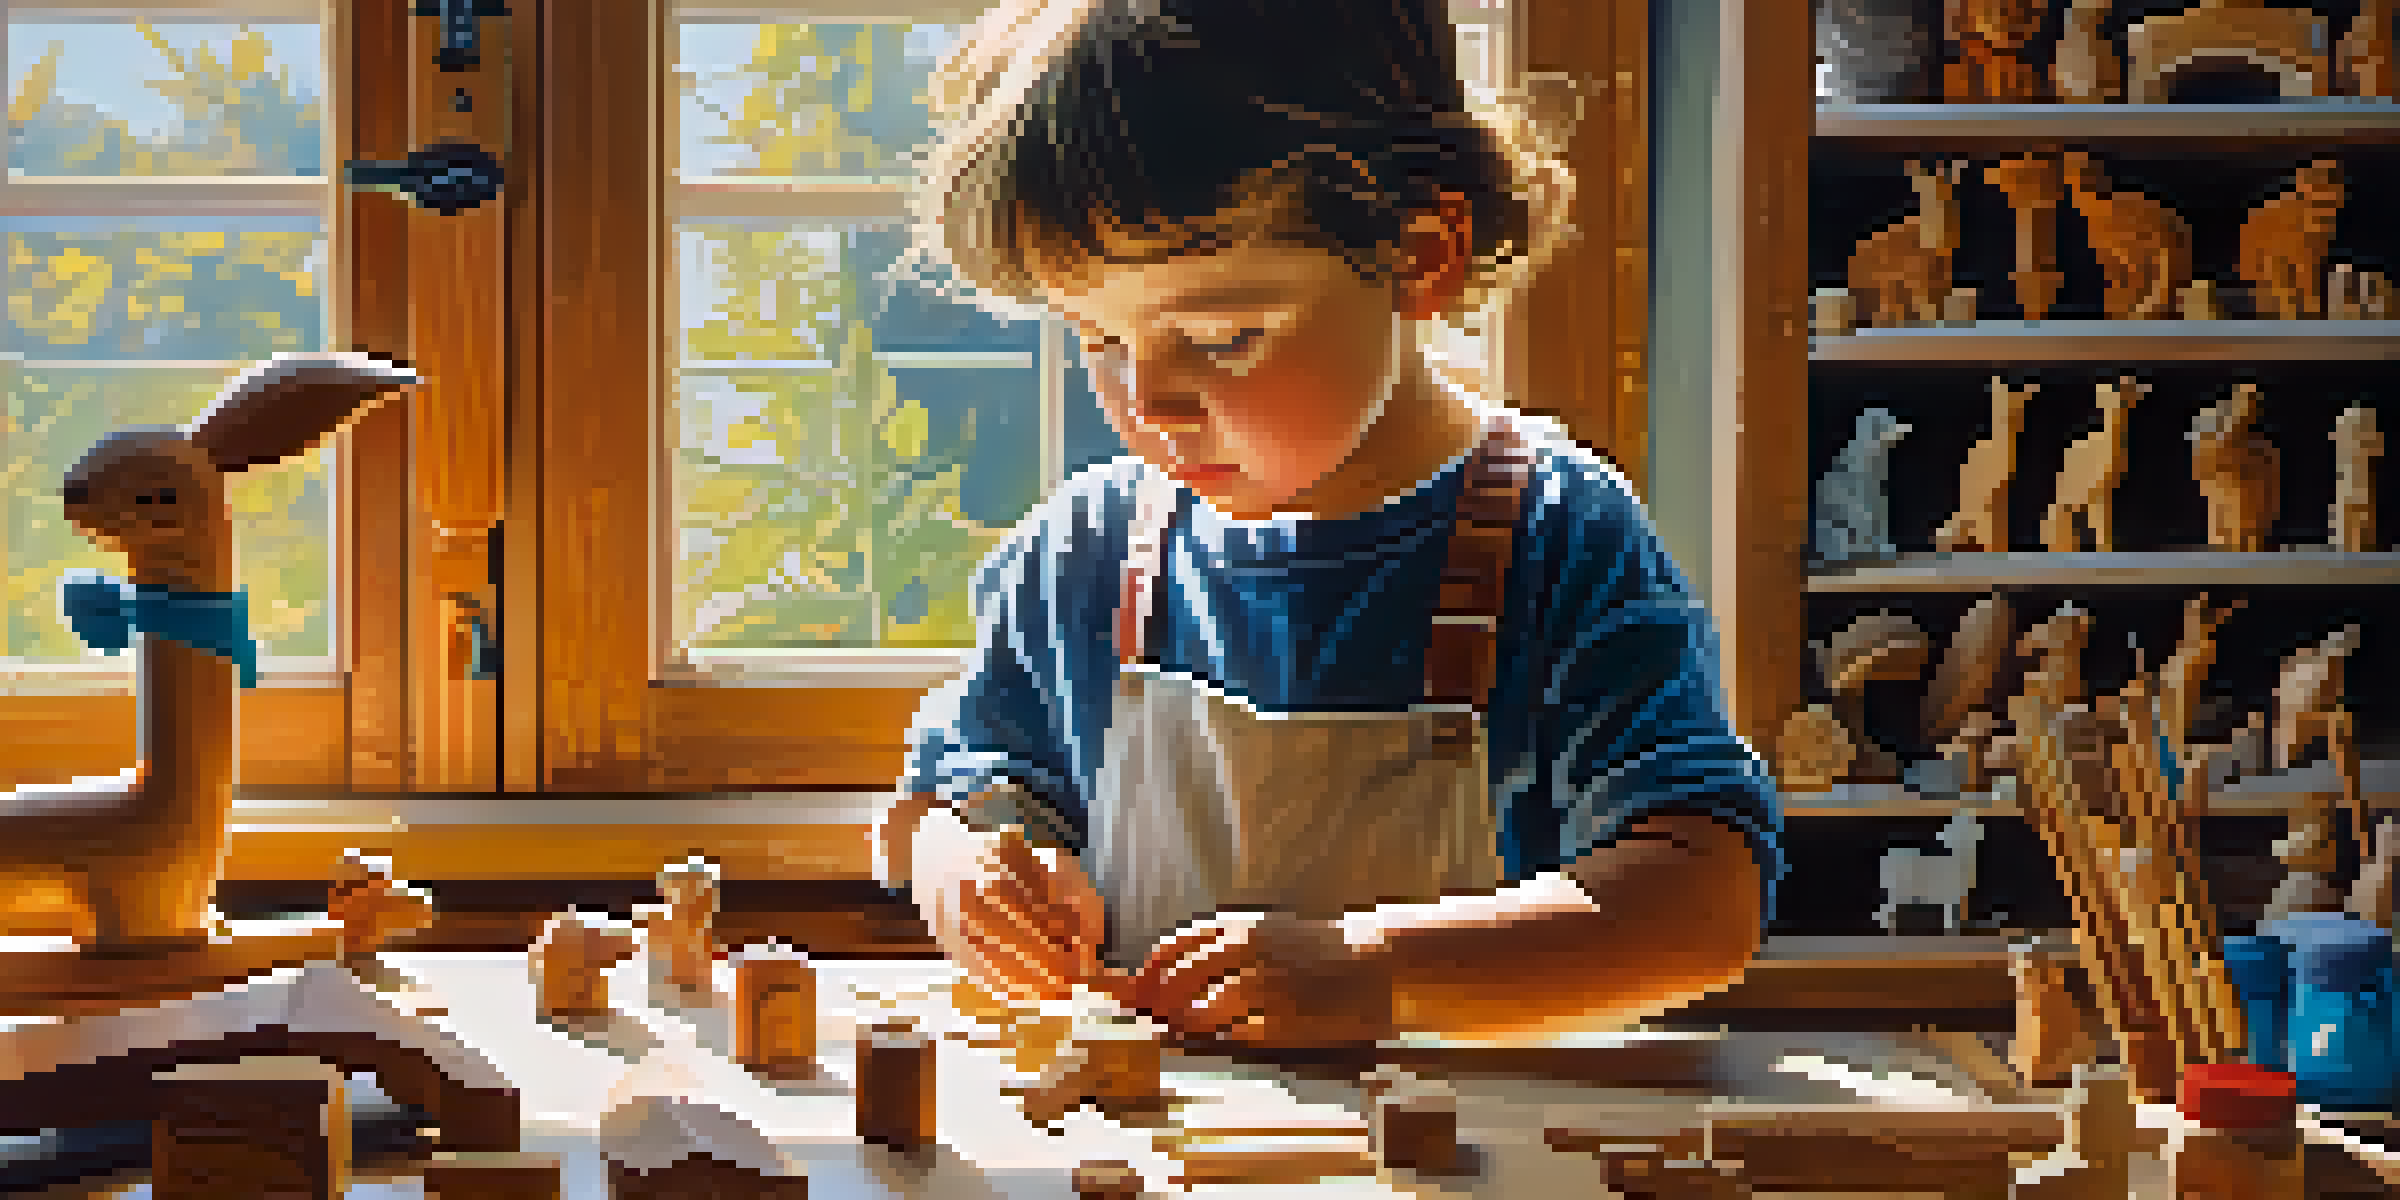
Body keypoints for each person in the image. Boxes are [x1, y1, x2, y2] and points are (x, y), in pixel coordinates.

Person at [876, 0, 1784, 1047]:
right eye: (1098, 339)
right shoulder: (1081, 558)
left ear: (1420, 255)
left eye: (1222, 337)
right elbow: (952, 802)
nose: (1150, 402)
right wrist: (970, 877)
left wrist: (1376, 970)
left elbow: (1705, 903)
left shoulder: (1556, 537)